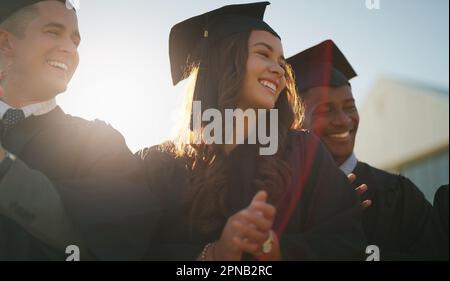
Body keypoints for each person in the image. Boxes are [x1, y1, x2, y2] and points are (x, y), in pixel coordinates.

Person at [138, 2, 366, 261]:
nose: (279, 68)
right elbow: (132, 249)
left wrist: (276, 250)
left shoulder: (304, 151)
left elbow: (345, 238)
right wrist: (213, 255)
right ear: (224, 61)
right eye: (263, 54)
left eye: (281, 61)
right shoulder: (160, 165)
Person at [0, 0, 158, 260]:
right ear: (6, 42)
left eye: (75, 41)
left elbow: (117, 239)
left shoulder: (98, 143)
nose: (70, 49)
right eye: (53, 32)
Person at [287, 39, 445, 260]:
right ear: (295, 122)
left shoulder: (398, 194)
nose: (343, 120)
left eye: (350, 107)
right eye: (326, 110)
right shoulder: (279, 195)